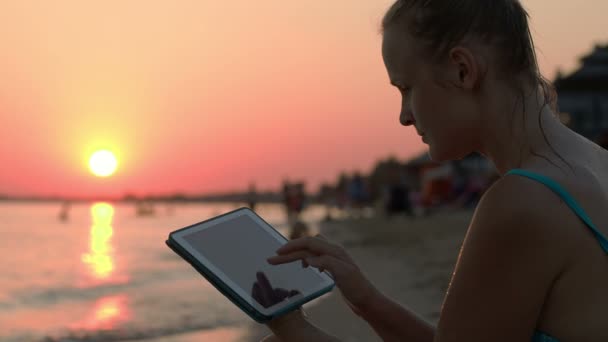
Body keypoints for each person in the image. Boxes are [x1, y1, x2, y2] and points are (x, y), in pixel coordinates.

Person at [261, 0, 608, 341]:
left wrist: (296, 332)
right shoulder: (596, 164)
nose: (404, 115)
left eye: (406, 89)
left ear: (462, 70)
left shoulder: (523, 202)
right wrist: (366, 299)